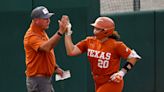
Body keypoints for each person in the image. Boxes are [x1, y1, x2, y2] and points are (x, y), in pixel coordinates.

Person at [64, 17, 141, 92]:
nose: (94, 30)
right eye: (95, 28)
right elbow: (71, 51)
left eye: (98, 29)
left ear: (106, 31)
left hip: (112, 81)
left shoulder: (116, 45)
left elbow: (134, 57)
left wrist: (122, 73)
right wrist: (68, 32)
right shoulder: (89, 41)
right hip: (97, 81)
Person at [24, 6, 69, 92]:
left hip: (43, 79)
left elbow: (47, 53)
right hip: (37, 79)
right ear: (36, 20)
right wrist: (60, 32)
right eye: (45, 18)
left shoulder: (41, 31)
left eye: (48, 18)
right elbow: (46, 48)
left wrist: (55, 68)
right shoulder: (31, 36)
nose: (48, 20)